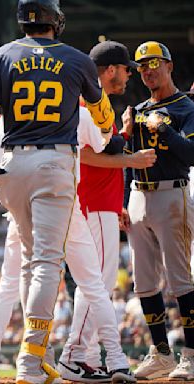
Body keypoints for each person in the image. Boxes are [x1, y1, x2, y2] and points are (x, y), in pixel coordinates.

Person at [0, 0, 116, 382]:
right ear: (55, 21)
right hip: (53, 163)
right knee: (45, 264)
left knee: (29, 263)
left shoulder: (0, 56)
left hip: (10, 166)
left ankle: (33, 355)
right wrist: (107, 125)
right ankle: (30, 360)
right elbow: (101, 114)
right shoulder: (76, 59)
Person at [57, 41, 157, 378]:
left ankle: (82, 355)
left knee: (99, 285)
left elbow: (101, 152)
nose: (131, 75)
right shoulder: (87, 101)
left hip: (103, 203)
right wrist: (130, 158)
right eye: (127, 68)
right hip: (91, 202)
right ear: (110, 69)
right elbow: (81, 154)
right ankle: (74, 354)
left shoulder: (99, 104)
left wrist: (118, 202)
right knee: (96, 285)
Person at [122, 41, 194, 380]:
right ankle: (161, 354)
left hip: (171, 195)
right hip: (138, 195)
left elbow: (191, 155)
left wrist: (164, 128)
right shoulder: (136, 109)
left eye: (153, 62)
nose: (147, 70)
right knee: (144, 282)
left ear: (169, 65)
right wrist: (122, 200)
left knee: (181, 280)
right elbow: (128, 160)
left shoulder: (185, 106)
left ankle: (191, 355)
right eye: (141, 66)